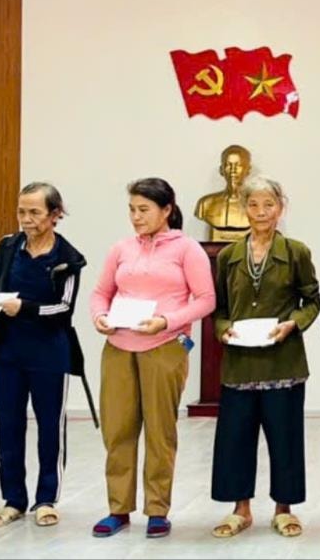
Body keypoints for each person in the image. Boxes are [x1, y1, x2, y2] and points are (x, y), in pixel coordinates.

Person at [89, 178, 216, 538]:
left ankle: (157, 510)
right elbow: (100, 293)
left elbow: (206, 300)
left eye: (144, 209)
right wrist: (99, 316)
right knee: (117, 430)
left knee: (160, 431)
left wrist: (167, 321)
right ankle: (118, 508)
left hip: (165, 345)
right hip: (118, 346)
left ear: (167, 210)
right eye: (131, 209)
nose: (136, 217)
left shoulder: (187, 249)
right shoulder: (121, 248)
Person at [209, 176, 320, 539]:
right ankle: (240, 510)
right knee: (235, 439)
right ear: (244, 208)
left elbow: (312, 300)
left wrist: (293, 323)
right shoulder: (228, 256)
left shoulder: (296, 252)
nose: (261, 212)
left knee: (285, 439)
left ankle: (284, 510)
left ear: (280, 208)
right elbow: (219, 309)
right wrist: (223, 329)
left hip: (283, 362)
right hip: (239, 365)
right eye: (254, 205)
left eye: (268, 205)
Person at [0, 182, 87, 529]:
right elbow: (0, 287)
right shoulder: (9, 246)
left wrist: (23, 308)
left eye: (35, 212)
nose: (26, 219)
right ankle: (13, 499)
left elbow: (64, 308)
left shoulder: (68, 258)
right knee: (7, 426)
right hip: (9, 351)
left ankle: (46, 499)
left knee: (50, 427)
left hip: (49, 353)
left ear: (55, 215)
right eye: (21, 211)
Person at [194, 144, 253, 241]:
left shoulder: (255, 206)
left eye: (238, 165)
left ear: (248, 170)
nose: (233, 170)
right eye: (228, 165)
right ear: (221, 170)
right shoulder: (205, 204)